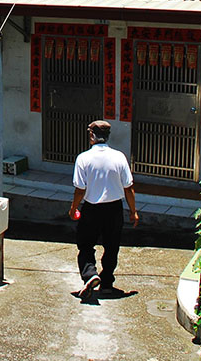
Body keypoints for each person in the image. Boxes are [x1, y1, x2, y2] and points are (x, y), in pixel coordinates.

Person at [68, 120, 138, 301]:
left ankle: (90, 274)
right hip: (114, 209)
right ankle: (107, 283)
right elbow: (128, 188)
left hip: (91, 209)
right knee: (112, 246)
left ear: (91, 136)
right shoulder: (119, 157)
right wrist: (133, 211)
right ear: (107, 136)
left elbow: (80, 189)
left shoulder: (83, 158)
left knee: (85, 245)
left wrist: (73, 208)